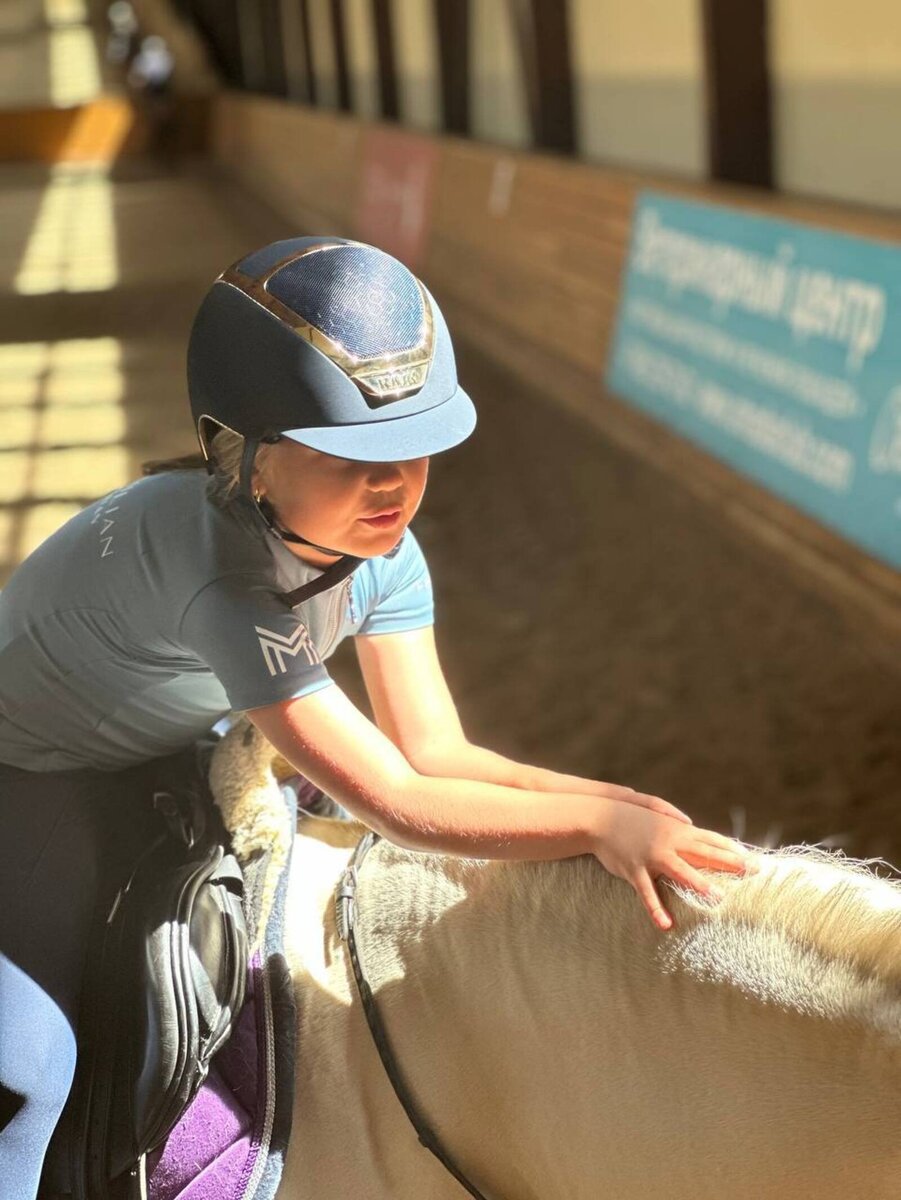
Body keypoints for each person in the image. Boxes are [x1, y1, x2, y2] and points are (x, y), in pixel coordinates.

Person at [0, 236, 754, 1196]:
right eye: (351, 458)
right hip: (30, 770)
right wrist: (597, 827)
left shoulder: (384, 555)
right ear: (250, 461)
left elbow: (433, 748)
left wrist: (607, 801)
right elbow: (396, 802)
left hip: (170, 737)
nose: (393, 486)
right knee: (28, 1071)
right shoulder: (226, 585)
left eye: (413, 453)